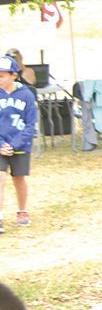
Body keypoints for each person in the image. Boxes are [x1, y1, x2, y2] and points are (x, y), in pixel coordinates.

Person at [0, 56, 37, 230]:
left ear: (13, 75)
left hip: (20, 145)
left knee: (18, 179)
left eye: (2, 76)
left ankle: (22, 211)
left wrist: (14, 145)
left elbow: (30, 125)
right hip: (0, 145)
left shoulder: (26, 95)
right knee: (0, 177)